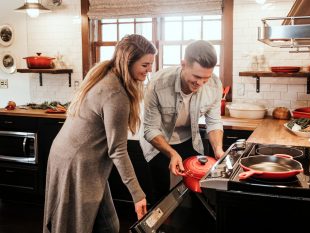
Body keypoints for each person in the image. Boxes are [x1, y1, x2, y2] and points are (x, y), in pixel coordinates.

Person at [43, 34, 157, 233]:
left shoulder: (106, 73)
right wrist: (138, 195)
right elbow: (118, 151)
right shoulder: (116, 94)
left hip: (70, 155)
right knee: (77, 226)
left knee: (108, 224)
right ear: (127, 61)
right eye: (145, 65)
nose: (149, 70)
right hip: (77, 163)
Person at [141, 40, 224, 204]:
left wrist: (218, 150)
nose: (200, 84)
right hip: (159, 143)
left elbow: (213, 122)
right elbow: (150, 129)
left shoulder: (214, 85)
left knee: (197, 193)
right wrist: (172, 153)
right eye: (196, 76)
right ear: (183, 64)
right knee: (161, 196)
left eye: (205, 78)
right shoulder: (158, 84)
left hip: (190, 140)